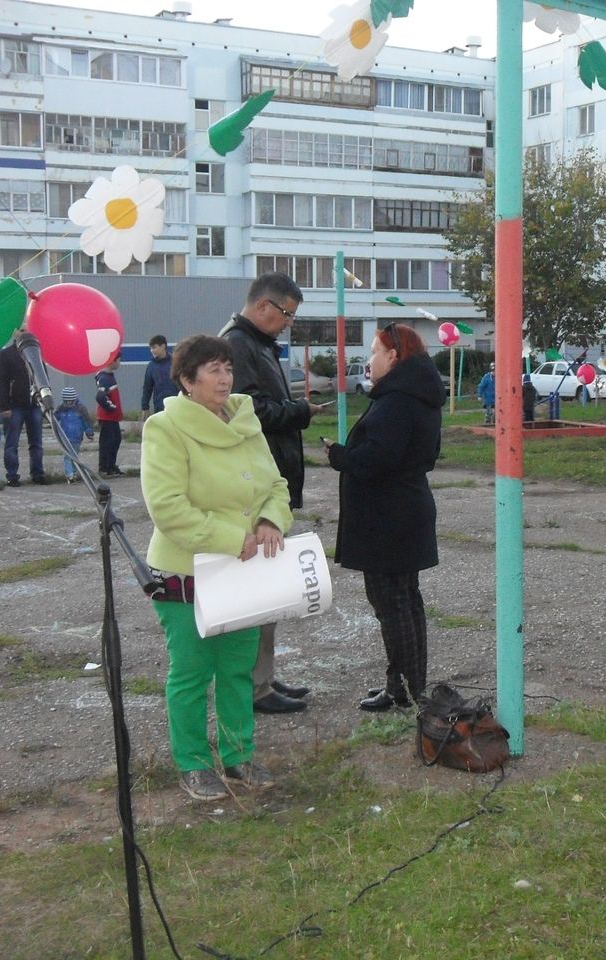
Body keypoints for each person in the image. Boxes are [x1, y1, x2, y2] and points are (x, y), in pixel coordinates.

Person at [140, 335, 293, 801]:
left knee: (237, 668)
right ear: (187, 380)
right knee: (191, 670)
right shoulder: (165, 429)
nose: (224, 377)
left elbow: (276, 484)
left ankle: (238, 756)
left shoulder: (245, 421)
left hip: (244, 571)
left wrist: (271, 520)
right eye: (212, 369)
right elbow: (167, 507)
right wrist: (233, 539)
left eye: (227, 367)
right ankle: (191, 763)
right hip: (187, 571)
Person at [323, 322, 446, 711]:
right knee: (405, 601)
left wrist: (341, 456)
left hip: (389, 519)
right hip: (402, 512)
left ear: (394, 356)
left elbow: (378, 459)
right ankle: (407, 685)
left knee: (393, 605)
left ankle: (405, 690)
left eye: (374, 352)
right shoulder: (413, 394)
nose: (369, 360)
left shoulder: (397, 400)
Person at [220, 272, 323, 714]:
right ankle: (253, 688)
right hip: (251, 489)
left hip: (266, 486)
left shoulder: (255, 344)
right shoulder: (236, 347)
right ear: (264, 307)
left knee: (266, 593)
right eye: (287, 315)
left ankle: (262, 679)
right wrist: (300, 411)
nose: (287, 324)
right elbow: (249, 412)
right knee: (255, 592)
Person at [0, 327, 50, 486]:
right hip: (14, 405)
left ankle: (38, 473)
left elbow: (43, 376)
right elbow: (1, 381)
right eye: (22, 329)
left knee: (37, 442)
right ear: (15, 332)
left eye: (27, 330)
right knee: (12, 442)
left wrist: (46, 400)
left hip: (34, 405)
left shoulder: (36, 352)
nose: (25, 332)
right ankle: (12, 475)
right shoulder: (6, 355)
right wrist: (4, 406)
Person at [54, 387, 94, 482]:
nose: (69, 404)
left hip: (77, 437)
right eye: (66, 401)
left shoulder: (80, 409)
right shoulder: (61, 409)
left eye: (71, 401)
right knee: (68, 456)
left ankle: (74, 473)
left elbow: (86, 421)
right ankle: (70, 475)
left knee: (75, 456)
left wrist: (89, 432)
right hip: (65, 437)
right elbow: (54, 419)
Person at [95, 357, 124, 476]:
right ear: (113, 361)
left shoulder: (109, 376)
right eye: (119, 360)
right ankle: (104, 467)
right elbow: (100, 397)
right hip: (107, 417)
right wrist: (112, 407)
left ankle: (111, 466)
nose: (119, 363)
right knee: (107, 442)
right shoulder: (105, 378)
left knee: (115, 440)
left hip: (112, 417)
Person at [141, 334, 178, 417]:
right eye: (150, 348)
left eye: (154, 347)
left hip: (177, 406)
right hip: (160, 408)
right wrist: (145, 406)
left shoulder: (176, 363)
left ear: (163, 346)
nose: (152, 350)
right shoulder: (151, 366)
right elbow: (147, 388)